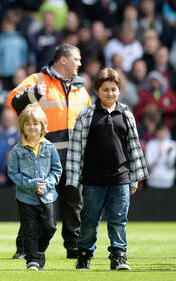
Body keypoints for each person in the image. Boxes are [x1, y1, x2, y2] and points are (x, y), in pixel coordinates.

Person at [7, 43, 92, 259]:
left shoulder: (80, 87)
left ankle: (74, 247)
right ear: (63, 60)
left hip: (74, 152)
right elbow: (12, 101)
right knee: (37, 199)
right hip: (43, 152)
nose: (80, 64)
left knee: (74, 201)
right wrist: (32, 95)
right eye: (77, 59)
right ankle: (25, 248)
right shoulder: (38, 80)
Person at [66, 67, 148, 270]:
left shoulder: (126, 114)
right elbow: (76, 149)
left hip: (120, 177)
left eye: (114, 89)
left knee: (119, 220)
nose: (110, 93)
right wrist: (73, 180)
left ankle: (118, 256)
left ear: (119, 90)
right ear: (97, 91)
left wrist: (134, 179)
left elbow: (134, 148)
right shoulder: (86, 115)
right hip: (93, 179)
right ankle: (84, 254)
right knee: (88, 220)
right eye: (105, 89)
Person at [7, 103, 62, 271]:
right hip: (26, 197)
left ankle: (39, 251)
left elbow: (56, 169)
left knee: (50, 227)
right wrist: (31, 184)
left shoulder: (50, 147)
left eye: (36, 123)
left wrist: (47, 183)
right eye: (28, 123)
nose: (32, 127)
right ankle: (31, 260)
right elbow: (13, 172)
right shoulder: (17, 150)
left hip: (48, 196)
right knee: (29, 230)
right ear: (22, 126)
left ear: (42, 126)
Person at [145, 122, 176, 189]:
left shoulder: (173, 144)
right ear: (156, 132)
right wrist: (158, 156)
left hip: (168, 182)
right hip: (152, 182)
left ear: (168, 131)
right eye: (160, 131)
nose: (162, 133)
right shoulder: (150, 144)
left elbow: (171, 166)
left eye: (164, 130)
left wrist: (168, 155)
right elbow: (149, 167)